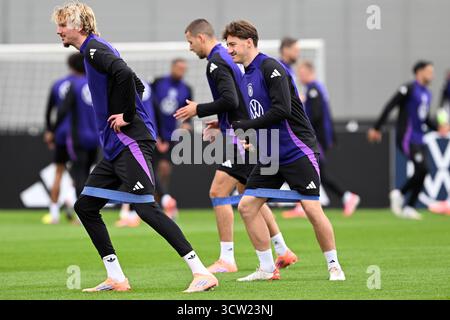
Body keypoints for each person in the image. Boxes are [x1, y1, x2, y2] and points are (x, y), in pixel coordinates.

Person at [52, 1, 217, 293]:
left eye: (63, 25)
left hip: (131, 141)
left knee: (146, 209)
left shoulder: (93, 49)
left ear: (78, 26)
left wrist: (128, 115)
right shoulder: (94, 50)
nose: (59, 31)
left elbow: (127, 77)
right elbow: (136, 84)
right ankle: (116, 277)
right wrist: (127, 107)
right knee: (86, 206)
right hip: (116, 145)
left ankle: (201, 272)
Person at [223, 20, 346, 281]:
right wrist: (251, 137)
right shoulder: (245, 75)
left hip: (296, 149)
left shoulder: (271, 67)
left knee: (312, 208)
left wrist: (247, 125)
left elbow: (282, 110)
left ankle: (334, 266)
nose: (229, 50)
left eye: (232, 44)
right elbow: (259, 114)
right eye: (227, 45)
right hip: (270, 153)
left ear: (249, 42)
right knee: (247, 206)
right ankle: (267, 268)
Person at [175, 19, 297, 273]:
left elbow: (230, 99)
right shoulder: (226, 58)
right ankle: (282, 250)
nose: (189, 48)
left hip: (240, 137)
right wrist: (220, 123)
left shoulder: (216, 62)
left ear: (201, 38)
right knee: (250, 195)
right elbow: (239, 98)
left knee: (219, 192)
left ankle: (228, 258)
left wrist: (199, 109)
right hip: (241, 131)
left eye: (189, 42)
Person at [368, 61, 446, 220]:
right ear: (419, 72)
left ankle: (409, 206)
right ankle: (399, 194)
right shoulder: (409, 89)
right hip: (407, 137)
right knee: (422, 168)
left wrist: (438, 127)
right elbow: (390, 106)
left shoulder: (427, 93)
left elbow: (424, 118)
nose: (432, 75)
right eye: (429, 71)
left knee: (423, 171)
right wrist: (377, 127)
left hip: (420, 138)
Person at [282, 61, 360, 218]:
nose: (299, 76)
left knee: (313, 171)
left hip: (315, 138)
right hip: (318, 138)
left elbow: (315, 115)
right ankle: (306, 203)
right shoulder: (316, 89)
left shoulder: (313, 90)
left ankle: (346, 196)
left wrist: (300, 125)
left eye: (302, 72)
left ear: (309, 72)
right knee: (314, 172)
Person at [151, 58, 193, 219]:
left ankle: (160, 201)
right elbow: (148, 105)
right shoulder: (158, 83)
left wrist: (187, 123)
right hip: (153, 132)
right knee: (149, 169)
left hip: (170, 134)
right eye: (179, 68)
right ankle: (154, 203)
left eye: (184, 69)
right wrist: (155, 134)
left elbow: (188, 111)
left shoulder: (186, 89)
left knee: (165, 169)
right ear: (172, 67)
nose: (181, 71)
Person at [42, 54, 79, 224]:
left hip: (61, 134)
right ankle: (77, 211)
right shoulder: (85, 84)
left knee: (58, 172)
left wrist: (50, 130)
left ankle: (54, 214)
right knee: (80, 173)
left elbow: (50, 110)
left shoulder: (57, 84)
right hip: (79, 134)